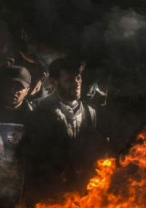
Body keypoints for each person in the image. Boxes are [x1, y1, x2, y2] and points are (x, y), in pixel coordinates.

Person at [24, 57, 105, 195]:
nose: (77, 83)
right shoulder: (40, 111)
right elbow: (34, 157)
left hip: (83, 191)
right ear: (54, 83)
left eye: (78, 78)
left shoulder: (91, 113)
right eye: (69, 80)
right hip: (52, 192)